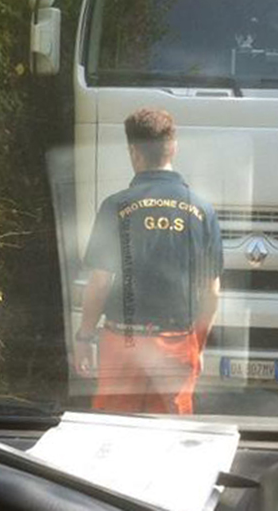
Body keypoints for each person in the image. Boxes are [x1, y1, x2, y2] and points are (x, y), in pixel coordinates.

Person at [73, 107, 222, 414]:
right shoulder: (202, 211)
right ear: (173, 147)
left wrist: (84, 337)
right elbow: (212, 291)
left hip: (122, 344)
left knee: (114, 431)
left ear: (133, 152)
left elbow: (100, 282)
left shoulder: (115, 206)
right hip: (176, 343)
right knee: (169, 435)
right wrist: (197, 345)